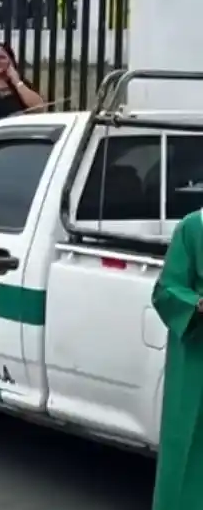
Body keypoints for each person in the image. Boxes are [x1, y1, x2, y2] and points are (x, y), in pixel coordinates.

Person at [150, 209, 203, 510]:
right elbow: (166, 290)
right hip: (197, 359)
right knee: (189, 446)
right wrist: (196, 304)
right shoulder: (194, 228)